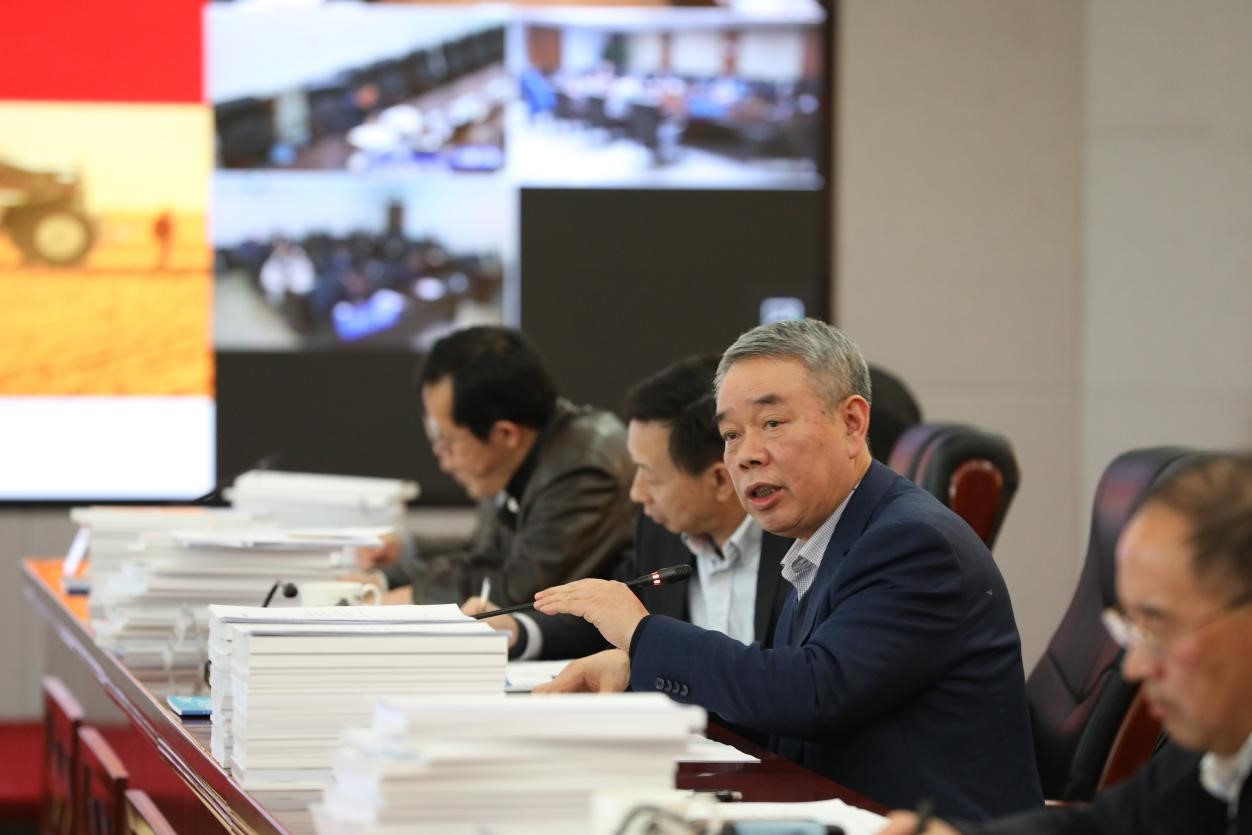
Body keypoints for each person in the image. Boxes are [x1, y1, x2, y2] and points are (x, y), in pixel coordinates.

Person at [533, 318, 1042, 820]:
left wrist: (643, 634)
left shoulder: (912, 543)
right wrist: (636, 671)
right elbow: (779, 722)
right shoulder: (828, 535)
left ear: (852, 423)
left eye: (772, 423)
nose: (746, 456)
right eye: (731, 434)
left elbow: (813, 694)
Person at [877, 453, 1252, 835]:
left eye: (1160, 625)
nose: (1135, 667)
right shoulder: (1212, 751)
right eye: (1131, 627)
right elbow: (1106, 826)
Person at [467, 354, 790, 660]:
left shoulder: (798, 546)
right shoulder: (660, 532)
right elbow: (606, 621)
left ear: (719, 480)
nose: (636, 493)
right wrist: (517, 631)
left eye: (651, 476)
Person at [373, 325, 635, 606]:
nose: (444, 463)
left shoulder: (583, 471)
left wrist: (414, 595)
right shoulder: (516, 456)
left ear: (505, 434)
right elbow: (481, 556)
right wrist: (388, 574)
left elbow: (521, 589)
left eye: (446, 442)